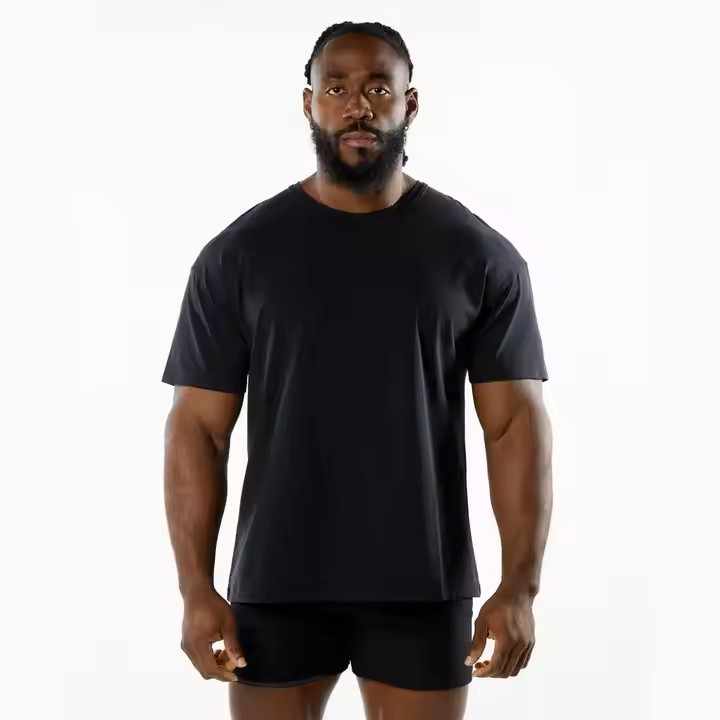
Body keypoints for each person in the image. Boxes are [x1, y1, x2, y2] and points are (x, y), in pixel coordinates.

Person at [161, 20, 553, 720]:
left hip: (423, 583)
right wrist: (195, 590)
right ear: (309, 103)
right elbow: (199, 428)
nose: (357, 106)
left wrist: (519, 587)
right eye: (337, 88)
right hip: (278, 579)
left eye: (378, 88)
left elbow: (514, 427)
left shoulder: (477, 256)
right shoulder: (239, 256)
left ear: (410, 103)